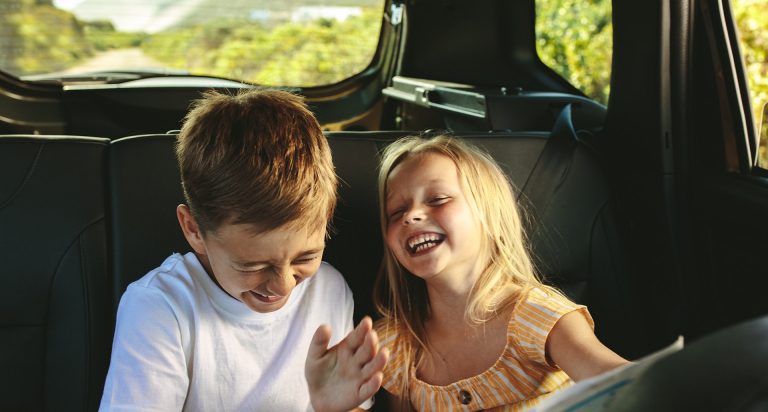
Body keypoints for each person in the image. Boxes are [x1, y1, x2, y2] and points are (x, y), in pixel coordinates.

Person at [100, 89, 388, 412]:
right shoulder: (159, 308)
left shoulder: (329, 290)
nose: (284, 285)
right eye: (253, 265)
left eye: (305, 258)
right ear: (194, 229)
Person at [373, 135, 628, 411]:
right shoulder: (397, 344)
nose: (411, 216)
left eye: (437, 199)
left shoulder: (536, 316)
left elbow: (618, 382)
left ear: (490, 214)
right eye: (396, 212)